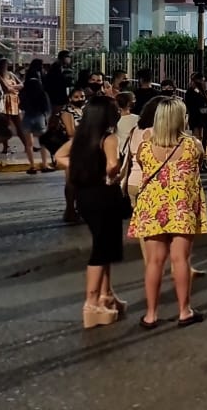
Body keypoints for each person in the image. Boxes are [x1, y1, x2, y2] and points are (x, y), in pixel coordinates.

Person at [129, 96, 207, 329]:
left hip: (152, 208)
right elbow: (198, 163)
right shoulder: (193, 145)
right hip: (181, 207)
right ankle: (184, 311)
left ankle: (151, 314)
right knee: (180, 260)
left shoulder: (145, 147)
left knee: (154, 262)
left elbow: (144, 168)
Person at [54, 96, 125, 329]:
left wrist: (81, 167)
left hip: (85, 196)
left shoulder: (81, 139)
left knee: (104, 246)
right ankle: (92, 301)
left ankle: (107, 294)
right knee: (101, 250)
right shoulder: (109, 138)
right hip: (105, 195)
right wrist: (117, 171)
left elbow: (58, 157)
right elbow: (112, 166)